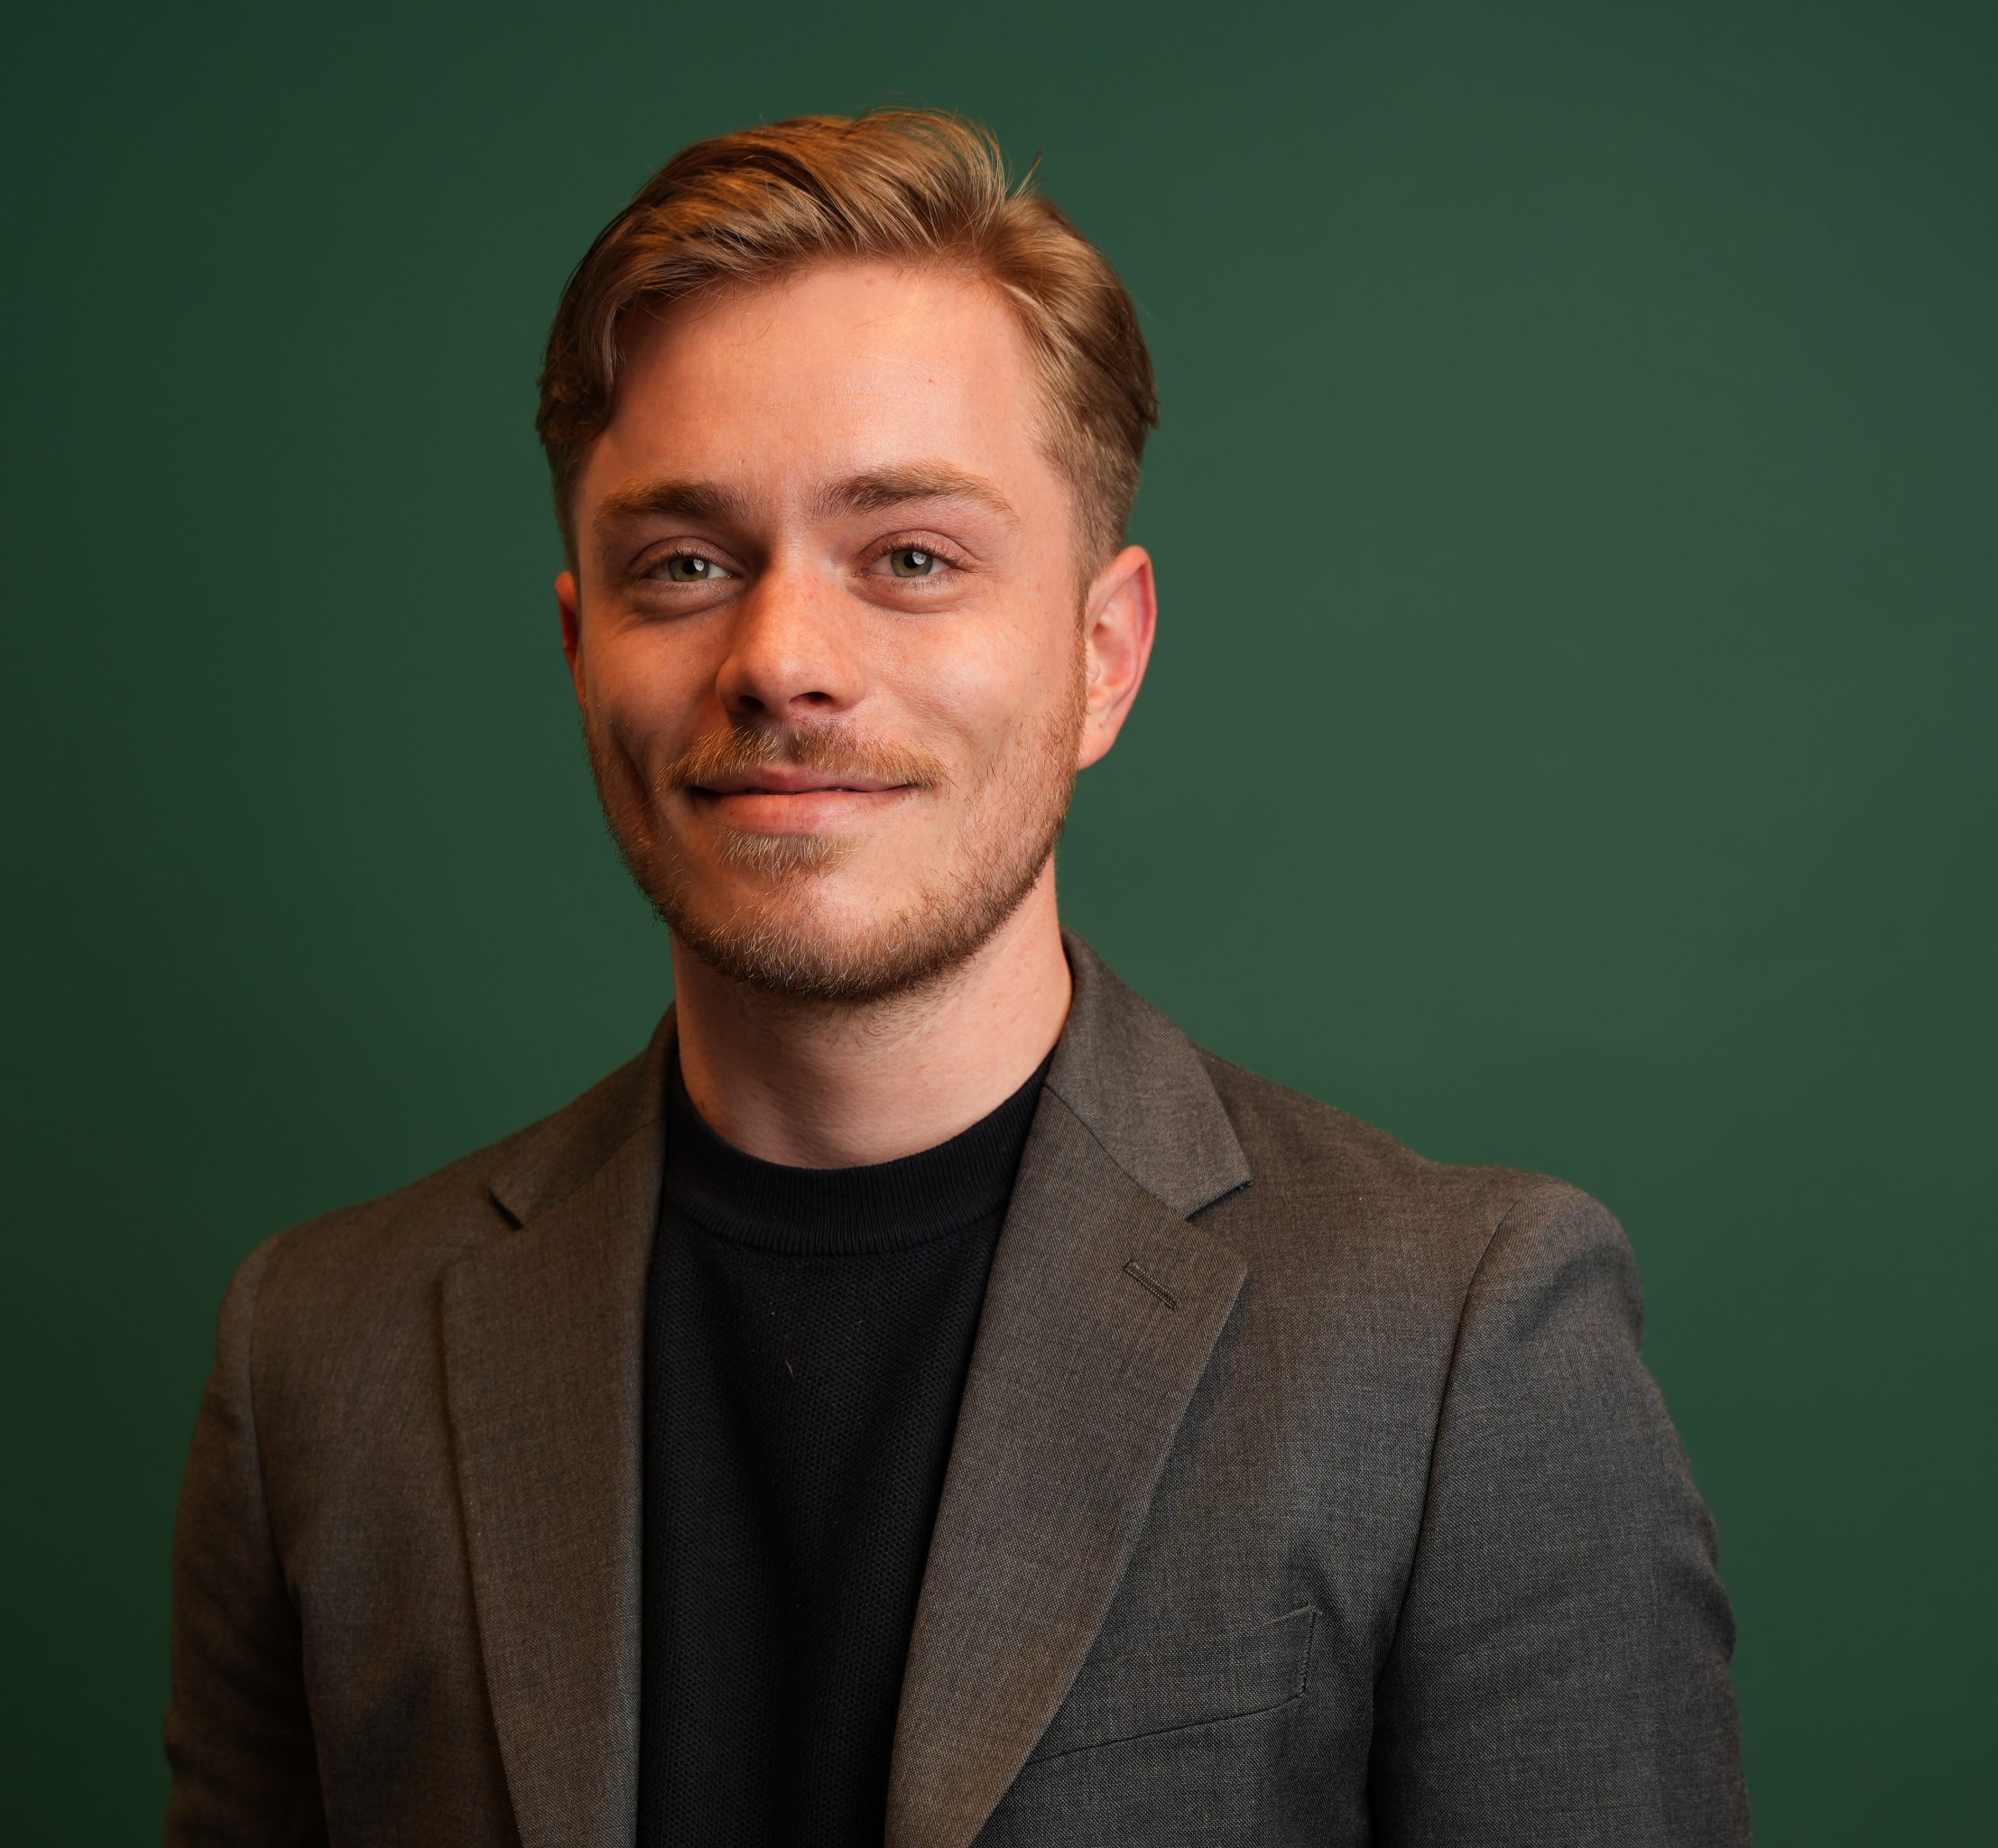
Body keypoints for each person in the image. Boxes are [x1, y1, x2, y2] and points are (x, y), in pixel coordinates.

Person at [163, 109, 1747, 1847]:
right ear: (578, 650)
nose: (781, 659)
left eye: (911, 557)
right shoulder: (318, 1359)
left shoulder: (1461, 1350)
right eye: (683, 565)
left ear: (1102, 653)